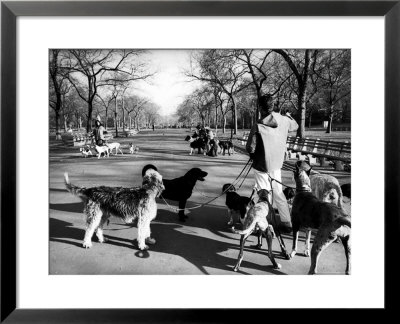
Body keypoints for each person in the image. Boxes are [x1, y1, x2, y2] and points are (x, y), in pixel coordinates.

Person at [246, 94, 298, 233]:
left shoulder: (258, 125)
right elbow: (295, 126)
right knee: (278, 192)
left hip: (261, 164)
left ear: (260, 108)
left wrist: (252, 154)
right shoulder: (284, 120)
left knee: (263, 194)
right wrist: (288, 115)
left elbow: (250, 147)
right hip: (277, 163)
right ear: (273, 105)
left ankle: (264, 224)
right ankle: (287, 223)